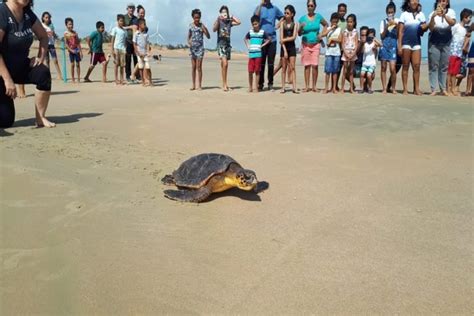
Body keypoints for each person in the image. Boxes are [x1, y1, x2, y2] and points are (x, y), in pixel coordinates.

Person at [0, 0, 55, 128]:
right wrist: (7, 80)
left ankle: (40, 117)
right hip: (2, 72)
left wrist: (40, 58)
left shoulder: (27, 14)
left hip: (19, 67)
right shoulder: (2, 12)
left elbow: (44, 37)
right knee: (5, 121)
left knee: (43, 73)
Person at [398, 0, 429, 96]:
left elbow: (422, 32)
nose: (415, 2)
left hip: (417, 44)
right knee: (405, 66)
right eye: (412, 0)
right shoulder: (404, 15)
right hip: (406, 44)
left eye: (417, 0)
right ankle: (405, 89)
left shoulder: (422, 15)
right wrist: (399, 46)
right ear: (408, 3)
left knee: (416, 67)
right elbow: (400, 31)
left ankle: (416, 89)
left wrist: (425, 28)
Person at [428, 0, 456, 96]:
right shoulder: (432, 13)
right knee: (433, 66)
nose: (442, 3)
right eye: (440, 1)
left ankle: (443, 88)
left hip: (446, 42)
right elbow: (431, 28)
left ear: (447, 3)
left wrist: (444, 15)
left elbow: (452, 23)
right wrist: (433, 17)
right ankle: (433, 89)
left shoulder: (451, 12)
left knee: (444, 66)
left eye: (444, 1)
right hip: (434, 42)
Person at [298, 0, 328, 93]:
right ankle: (307, 86)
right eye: (308, 5)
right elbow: (299, 33)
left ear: (315, 6)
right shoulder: (302, 18)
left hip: (316, 44)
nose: (310, 7)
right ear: (306, 7)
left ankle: (314, 86)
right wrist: (301, 28)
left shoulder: (318, 16)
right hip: (306, 45)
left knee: (315, 65)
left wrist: (322, 34)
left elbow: (326, 24)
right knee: (307, 66)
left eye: (312, 5)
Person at [254, 0, 283, 91]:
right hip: (261, 40)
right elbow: (255, 18)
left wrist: (279, 24)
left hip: (272, 40)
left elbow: (283, 17)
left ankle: (270, 84)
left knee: (270, 64)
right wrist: (260, 4)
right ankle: (260, 84)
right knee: (261, 63)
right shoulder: (259, 8)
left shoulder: (275, 8)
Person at [213, 6, 241, 92]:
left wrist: (232, 17)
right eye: (222, 12)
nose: (224, 14)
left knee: (224, 64)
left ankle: (224, 83)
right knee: (225, 64)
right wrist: (218, 19)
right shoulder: (219, 21)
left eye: (225, 12)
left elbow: (239, 22)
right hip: (221, 45)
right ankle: (224, 85)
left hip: (228, 45)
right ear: (220, 13)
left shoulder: (229, 22)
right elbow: (214, 29)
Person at [447, 8, 472, 96]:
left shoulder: (466, 29)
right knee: (450, 71)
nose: (469, 19)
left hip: (459, 53)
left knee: (455, 72)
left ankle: (453, 88)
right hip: (452, 51)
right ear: (464, 17)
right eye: (469, 17)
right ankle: (448, 89)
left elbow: (467, 37)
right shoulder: (456, 26)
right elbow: (450, 36)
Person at [245, 15, 271, 93]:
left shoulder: (262, 32)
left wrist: (262, 45)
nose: (254, 26)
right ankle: (250, 87)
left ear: (259, 23)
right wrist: (248, 46)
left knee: (257, 71)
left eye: (256, 24)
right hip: (251, 54)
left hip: (258, 55)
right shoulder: (250, 32)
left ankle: (256, 87)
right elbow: (245, 39)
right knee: (250, 71)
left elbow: (269, 40)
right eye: (253, 24)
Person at [319, 12, 342, 94]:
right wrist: (331, 29)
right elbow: (322, 35)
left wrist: (332, 39)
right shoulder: (328, 28)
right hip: (329, 53)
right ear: (330, 21)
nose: (334, 23)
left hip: (336, 53)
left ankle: (334, 88)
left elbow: (340, 40)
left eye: (336, 22)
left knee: (335, 71)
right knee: (328, 71)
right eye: (333, 21)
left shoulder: (339, 29)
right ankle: (326, 88)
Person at [188, 9, 210, 91]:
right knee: (193, 67)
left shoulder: (202, 26)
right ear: (193, 17)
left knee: (199, 67)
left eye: (198, 18)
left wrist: (205, 30)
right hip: (192, 49)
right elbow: (189, 36)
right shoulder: (190, 26)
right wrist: (189, 42)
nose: (197, 19)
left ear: (200, 17)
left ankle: (199, 85)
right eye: (195, 17)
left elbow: (208, 36)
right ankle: (193, 85)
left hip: (200, 49)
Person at [380, 1, 399, 94]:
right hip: (385, 46)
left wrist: (396, 25)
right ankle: (384, 88)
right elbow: (382, 36)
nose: (390, 14)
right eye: (388, 12)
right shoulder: (383, 22)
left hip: (393, 47)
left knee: (392, 68)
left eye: (391, 12)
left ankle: (393, 88)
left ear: (394, 12)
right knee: (383, 67)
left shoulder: (398, 21)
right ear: (386, 12)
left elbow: (400, 34)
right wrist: (387, 26)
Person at [279, 5, 298, 94]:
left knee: (293, 67)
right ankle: (283, 87)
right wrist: (285, 50)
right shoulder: (282, 24)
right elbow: (280, 39)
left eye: (287, 13)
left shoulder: (295, 24)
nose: (285, 15)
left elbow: (294, 37)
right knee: (284, 68)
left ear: (292, 14)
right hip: (284, 48)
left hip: (292, 47)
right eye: (285, 13)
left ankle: (294, 87)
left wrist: (284, 39)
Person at [359, 28, 382, 94]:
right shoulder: (365, 43)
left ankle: (370, 88)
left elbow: (381, 45)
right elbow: (362, 51)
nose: (370, 37)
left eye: (372, 36)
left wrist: (375, 40)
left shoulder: (374, 43)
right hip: (365, 63)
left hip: (372, 64)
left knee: (369, 75)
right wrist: (363, 43)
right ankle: (361, 88)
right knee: (362, 74)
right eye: (369, 36)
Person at [41, 12, 62, 81]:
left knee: (55, 60)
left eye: (49, 17)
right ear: (43, 18)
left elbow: (54, 34)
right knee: (47, 61)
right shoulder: (41, 25)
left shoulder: (51, 26)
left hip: (51, 45)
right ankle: (48, 76)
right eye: (46, 17)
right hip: (45, 45)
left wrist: (58, 39)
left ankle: (60, 75)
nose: (47, 19)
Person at [340, 14, 358, 94]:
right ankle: (342, 88)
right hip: (346, 52)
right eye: (348, 21)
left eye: (351, 22)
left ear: (354, 23)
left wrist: (353, 53)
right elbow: (342, 43)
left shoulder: (355, 32)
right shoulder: (344, 31)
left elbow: (357, 43)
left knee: (351, 72)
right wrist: (346, 53)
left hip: (353, 53)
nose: (349, 23)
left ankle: (351, 88)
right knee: (344, 71)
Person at [133, 18, 151, 86]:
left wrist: (148, 51)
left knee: (148, 67)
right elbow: (134, 44)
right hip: (139, 53)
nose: (145, 26)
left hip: (145, 53)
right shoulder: (136, 34)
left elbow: (147, 44)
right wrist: (137, 52)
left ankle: (150, 80)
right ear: (140, 25)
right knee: (140, 67)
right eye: (144, 24)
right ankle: (143, 81)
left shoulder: (146, 34)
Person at [111, 14, 128, 85]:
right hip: (116, 48)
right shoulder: (115, 29)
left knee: (122, 65)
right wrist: (112, 49)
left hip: (123, 49)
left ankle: (121, 79)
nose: (122, 22)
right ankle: (116, 79)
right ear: (117, 21)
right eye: (120, 21)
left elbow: (125, 41)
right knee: (116, 64)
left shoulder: (125, 31)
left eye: (123, 21)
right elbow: (112, 39)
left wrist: (125, 49)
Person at [64, 17, 82, 83]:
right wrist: (71, 50)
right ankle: (72, 78)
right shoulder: (66, 34)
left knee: (78, 64)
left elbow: (78, 42)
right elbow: (66, 44)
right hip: (71, 51)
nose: (71, 26)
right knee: (72, 65)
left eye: (72, 24)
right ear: (66, 25)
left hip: (77, 51)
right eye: (69, 24)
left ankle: (78, 78)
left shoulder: (75, 33)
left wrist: (81, 52)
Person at [124, 3, 138, 82]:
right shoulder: (124, 17)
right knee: (128, 59)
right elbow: (121, 27)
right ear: (127, 9)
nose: (131, 9)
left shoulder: (136, 18)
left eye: (133, 8)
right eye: (130, 8)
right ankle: (128, 75)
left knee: (136, 58)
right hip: (127, 41)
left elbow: (136, 27)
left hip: (135, 41)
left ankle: (136, 75)